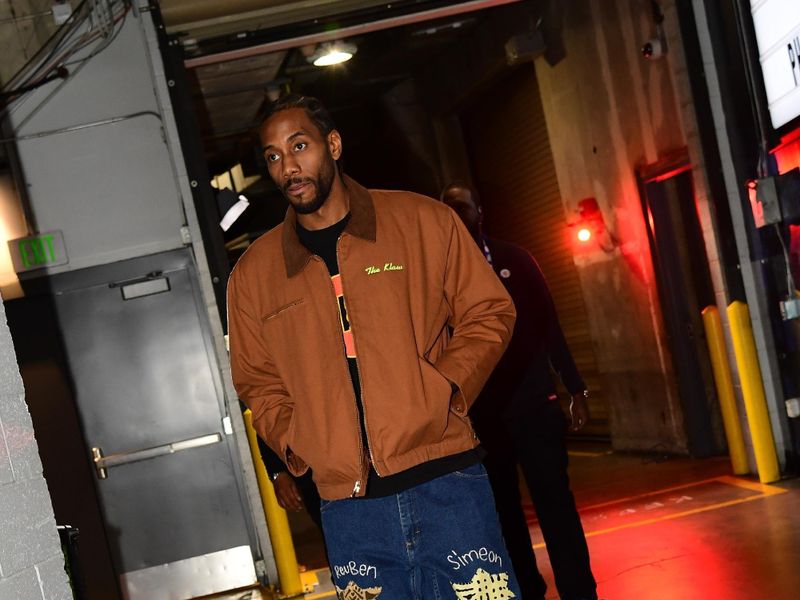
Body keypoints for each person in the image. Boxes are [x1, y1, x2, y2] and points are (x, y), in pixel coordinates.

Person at [227, 94, 520, 599]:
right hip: (350, 510)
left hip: (447, 483)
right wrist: (299, 441)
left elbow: (489, 312)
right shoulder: (254, 274)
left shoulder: (422, 222)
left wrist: (444, 388)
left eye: (299, 146)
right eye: (274, 157)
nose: (288, 167)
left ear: (333, 145)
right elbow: (256, 378)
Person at [441, 182, 598, 600]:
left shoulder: (516, 260)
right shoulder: (439, 278)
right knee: (505, 515)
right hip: (485, 418)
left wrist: (575, 386)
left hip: (534, 407)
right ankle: (528, 590)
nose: (457, 214)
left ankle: (580, 590)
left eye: (463, 206)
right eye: (448, 208)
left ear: (480, 211)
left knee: (556, 506)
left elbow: (550, 324)